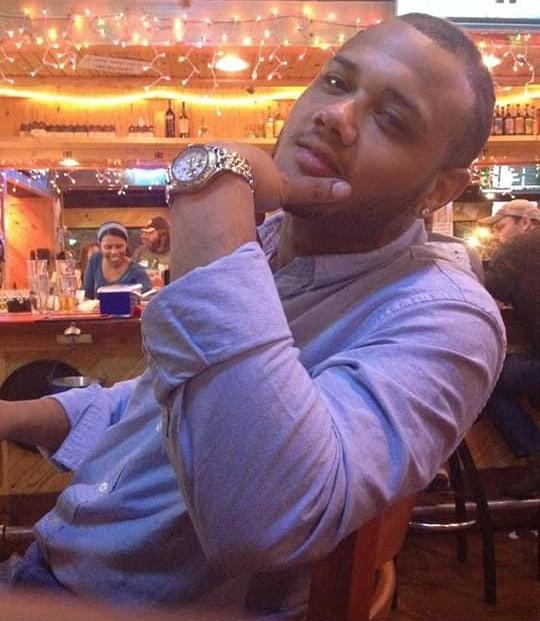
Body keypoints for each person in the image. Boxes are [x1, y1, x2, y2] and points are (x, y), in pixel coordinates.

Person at [0, 13, 505, 619]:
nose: (337, 116)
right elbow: (154, 403)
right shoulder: (260, 250)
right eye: (337, 82)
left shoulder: (446, 315)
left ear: (440, 190)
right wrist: (15, 417)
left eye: (391, 120)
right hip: (46, 563)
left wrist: (211, 193)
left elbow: (260, 517)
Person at [479, 200, 540, 498]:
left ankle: (535, 458)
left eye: (501, 227)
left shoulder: (516, 248)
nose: (497, 235)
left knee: (486, 381)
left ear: (525, 223)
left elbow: (488, 292)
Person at [83, 222, 151, 299]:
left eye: (119, 247)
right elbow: (87, 295)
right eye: (108, 247)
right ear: (100, 246)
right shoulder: (95, 261)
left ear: (126, 244)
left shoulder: (137, 271)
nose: (114, 252)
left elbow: (148, 299)